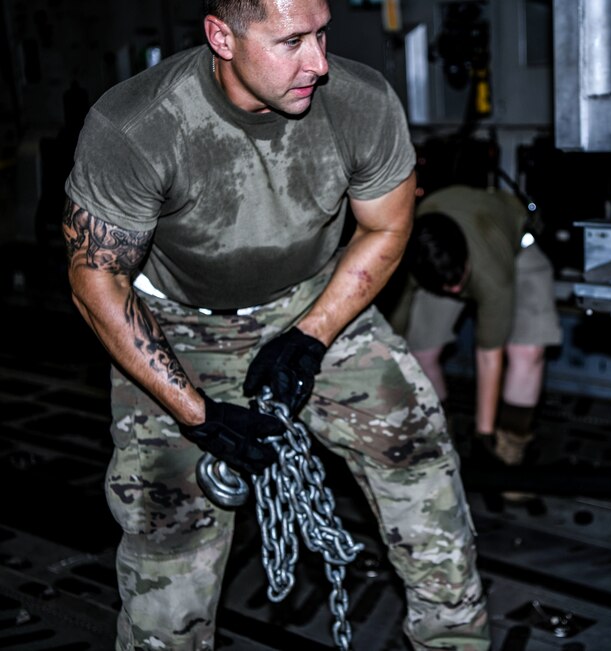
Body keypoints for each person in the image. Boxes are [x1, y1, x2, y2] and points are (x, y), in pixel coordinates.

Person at [61, 1, 490, 649]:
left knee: (419, 462)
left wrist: (311, 335)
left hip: (317, 301)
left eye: (322, 34)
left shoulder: (360, 102)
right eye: (291, 41)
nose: (318, 63)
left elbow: (386, 227)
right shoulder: (137, 126)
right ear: (220, 36)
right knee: (168, 542)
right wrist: (196, 412)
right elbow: (97, 281)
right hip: (175, 324)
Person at [387, 184, 562, 487]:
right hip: (438, 253)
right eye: (449, 288)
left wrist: (484, 434)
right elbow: (391, 339)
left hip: (513, 246)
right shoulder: (408, 262)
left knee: (526, 352)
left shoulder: (491, 271)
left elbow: (489, 355)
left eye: (460, 283)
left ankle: (509, 454)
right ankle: (441, 446)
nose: (457, 293)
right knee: (420, 352)